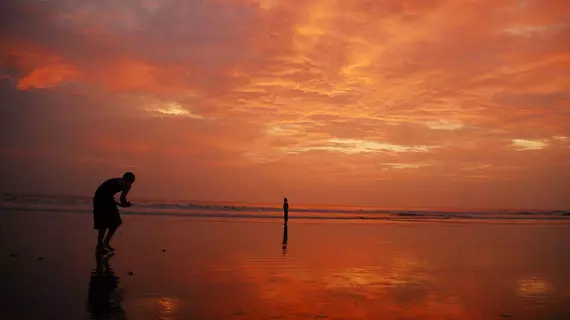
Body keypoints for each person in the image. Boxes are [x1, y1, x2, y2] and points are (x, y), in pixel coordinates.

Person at [92, 172, 135, 253]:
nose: (125, 183)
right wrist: (124, 204)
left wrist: (124, 204)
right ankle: (100, 245)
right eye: (125, 181)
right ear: (123, 179)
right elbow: (113, 198)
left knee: (116, 222)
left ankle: (105, 242)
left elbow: (122, 199)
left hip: (106, 200)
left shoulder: (125, 185)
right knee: (103, 224)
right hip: (100, 200)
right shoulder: (115, 183)